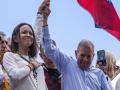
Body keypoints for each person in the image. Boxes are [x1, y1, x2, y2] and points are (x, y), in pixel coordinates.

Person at [39, 0, 110, 90]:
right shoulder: (67, 63)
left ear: (93, 56)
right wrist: (44, 20)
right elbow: (49, 49)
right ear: (76, 53)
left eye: (89, 56)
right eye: (82, 55)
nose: (85, 59)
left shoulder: (99, 74)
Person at [3, 23, 47, 90]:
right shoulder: (9, 56)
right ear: (15, 39)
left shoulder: (34, 60)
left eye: (31, 33)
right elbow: (15, 75)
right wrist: (31, 66)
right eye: (24, 32)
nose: (28, 35)